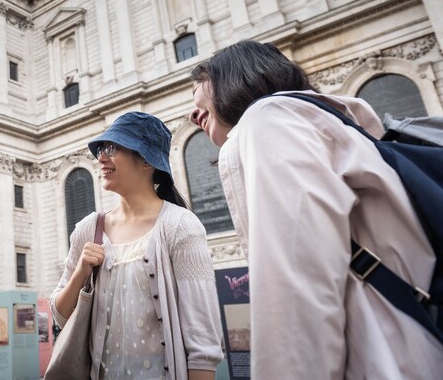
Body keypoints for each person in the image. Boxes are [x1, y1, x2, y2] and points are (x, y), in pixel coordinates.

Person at [189, 40, 443, 379]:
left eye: (198, 92)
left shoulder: (269, 120)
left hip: (384, 359)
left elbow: (297, 284)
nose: (193, 116)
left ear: (237, 77)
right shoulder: (329, 123)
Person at [48, 112, 223, 380]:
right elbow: (60, 316)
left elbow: (202, 340)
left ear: (145, 160)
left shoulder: (180, 225)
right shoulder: (88, 229)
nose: (101, 158)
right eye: (102, 150)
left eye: (112, 148)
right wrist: (80, 273)